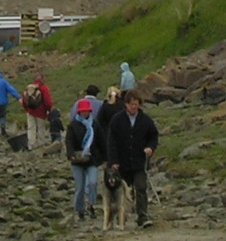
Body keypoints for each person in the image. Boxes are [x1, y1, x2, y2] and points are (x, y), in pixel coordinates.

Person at [104, 89, 160, 230]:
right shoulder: (117, 120)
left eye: (136, 104)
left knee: (141, 187)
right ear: (126, 105)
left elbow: (153, 136)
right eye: (131, 104)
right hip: (121, 164)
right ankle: (119, 218)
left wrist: (150, 148)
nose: (134, 107)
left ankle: (142, 216)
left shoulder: (146, 120)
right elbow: (111, 142)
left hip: (139, 162)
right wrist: (113, 161)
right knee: (121, 192)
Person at [65, 89, 105, 225]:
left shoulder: (95, 124)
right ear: (79, 112)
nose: (85, 113)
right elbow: (69, 142)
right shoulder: (73, 125)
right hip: (77, 160)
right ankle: (80, 209)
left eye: (87, 111)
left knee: (93, 183)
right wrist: (71, 155)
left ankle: (92, 205)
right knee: (80, 187)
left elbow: (101, 141)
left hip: (92, 159)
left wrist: (106, 158)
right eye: (83, 111)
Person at [21, 75, 57, 154]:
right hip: (41, 112)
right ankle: (41, 143)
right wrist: (49, 109)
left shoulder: (29, 88)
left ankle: (31, 144)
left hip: (30, 111)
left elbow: (24, 100)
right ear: (43, 80)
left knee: (31, 128)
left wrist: (27, 109)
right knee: (41, 128)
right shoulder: (44, 88)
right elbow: (47, 102)